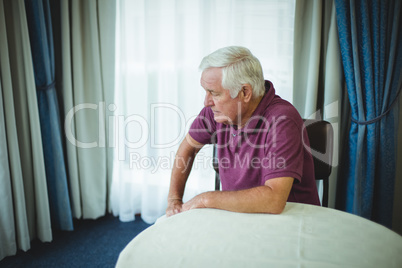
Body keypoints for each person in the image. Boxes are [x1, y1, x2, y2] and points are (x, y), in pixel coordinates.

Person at [166, 46, 320, 217]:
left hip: (290, 219)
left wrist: (205, 200)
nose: (207, 102)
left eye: (214, 93)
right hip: (240, 215)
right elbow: (188, 148)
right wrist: (174, 200)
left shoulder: (282, 120)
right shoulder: (216, 112)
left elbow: (274, 200)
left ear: (245, 92)